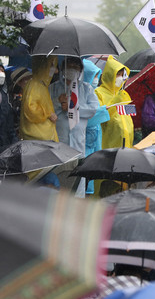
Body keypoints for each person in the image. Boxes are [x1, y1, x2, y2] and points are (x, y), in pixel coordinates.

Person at [50, 57, 100, 153]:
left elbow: (93, 109)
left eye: (75, 67)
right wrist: (58, 102)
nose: (72, 69)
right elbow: (46, 109)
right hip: (59, 141)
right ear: (63, 69)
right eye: (69, 66)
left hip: (78, 143)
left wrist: (72, 108)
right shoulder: (53, 88)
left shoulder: (87, 89)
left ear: (80, 71)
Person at [82, 59, 109, 196]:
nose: (96, 79)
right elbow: (88, 116)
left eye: (98, 76)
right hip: (83, 148)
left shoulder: (92, 94)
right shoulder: (80, 94)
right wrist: (105, 110)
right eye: (94, 75)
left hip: (92, 148)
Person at [95, 56, 133, 149]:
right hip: (110, 143)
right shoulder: (99, 92)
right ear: (110, 75)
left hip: (126, 141)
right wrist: (116, 102)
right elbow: (100, 117)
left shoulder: (122, 93)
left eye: (122, 75)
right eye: (117, 74)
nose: (120, 78)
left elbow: (127, 116)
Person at [20, 55, 59, 141]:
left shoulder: (41, 85)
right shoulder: (35, 85)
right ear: (43, 65)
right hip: (38, 137)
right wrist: (48, 114)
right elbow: (30, 108)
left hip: (42, 137)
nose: (55, 71)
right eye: (51, 65)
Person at [8, 66, 32, 139]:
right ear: (19, 83)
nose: (29, 80)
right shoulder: (17, 99)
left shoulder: (32, 94)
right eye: (26, 79)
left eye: (29, 77)